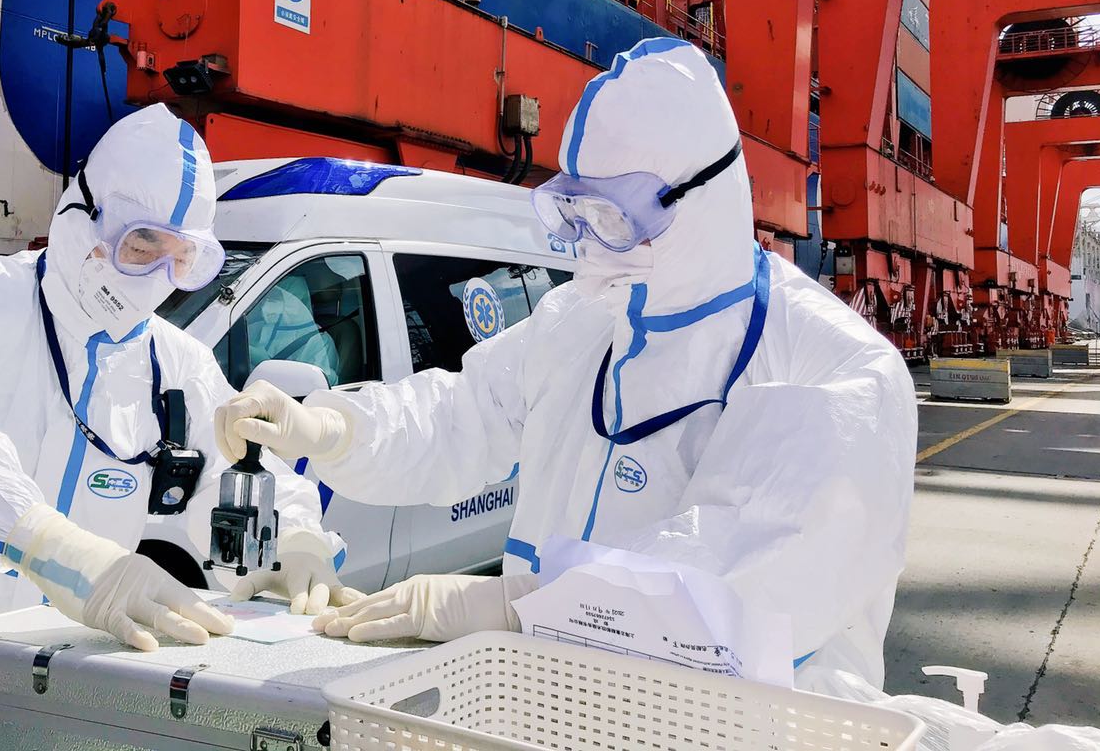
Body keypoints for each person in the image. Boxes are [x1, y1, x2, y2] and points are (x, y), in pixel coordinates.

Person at [217, 38, 918, 691]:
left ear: (703, 196)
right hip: (552, 703)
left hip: (745, 727)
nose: (588, 248)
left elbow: (756, 581)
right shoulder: (582, 322)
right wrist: (331, 427)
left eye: (613, 219)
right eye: (576, 214)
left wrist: (525, 606)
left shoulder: (837, 370)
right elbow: (461, 414)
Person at [0, 104, 353, 749]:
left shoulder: (176, 364)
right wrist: (49, 546)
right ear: (80, 214)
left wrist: (294, 544)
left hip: (53, 701)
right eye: (141, 244)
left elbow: (239, 469)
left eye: (181, 259)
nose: (157, 279)